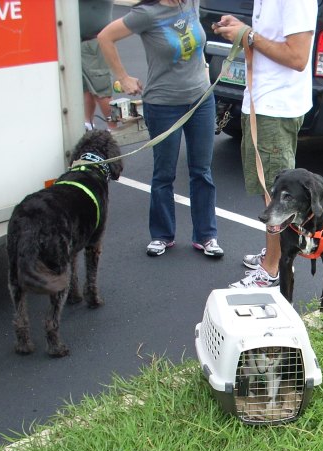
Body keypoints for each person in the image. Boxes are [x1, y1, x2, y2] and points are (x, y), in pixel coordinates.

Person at [98, 0, 224, 258]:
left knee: (202, 171)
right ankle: (162, 235)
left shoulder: (190, 3)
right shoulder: (147, 13)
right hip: (164, 104)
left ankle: (206, 236)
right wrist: (123, 77)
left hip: (201, 99)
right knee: (164, 173)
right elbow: (105, 37)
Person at [213, 0, 317, 287]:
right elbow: (271, 37)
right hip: (263, 103)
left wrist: (248, 35)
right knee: (268, 190)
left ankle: (273, 269)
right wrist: (243, 30)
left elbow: (298, 57)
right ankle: (274, 255)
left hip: (275, 107)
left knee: (277, 196)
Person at [79, 0, 117, 131]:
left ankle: (113, 129)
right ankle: (88, 124)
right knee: (86, 88)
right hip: (80, 41)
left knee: (102, 89)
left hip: (94, 42)